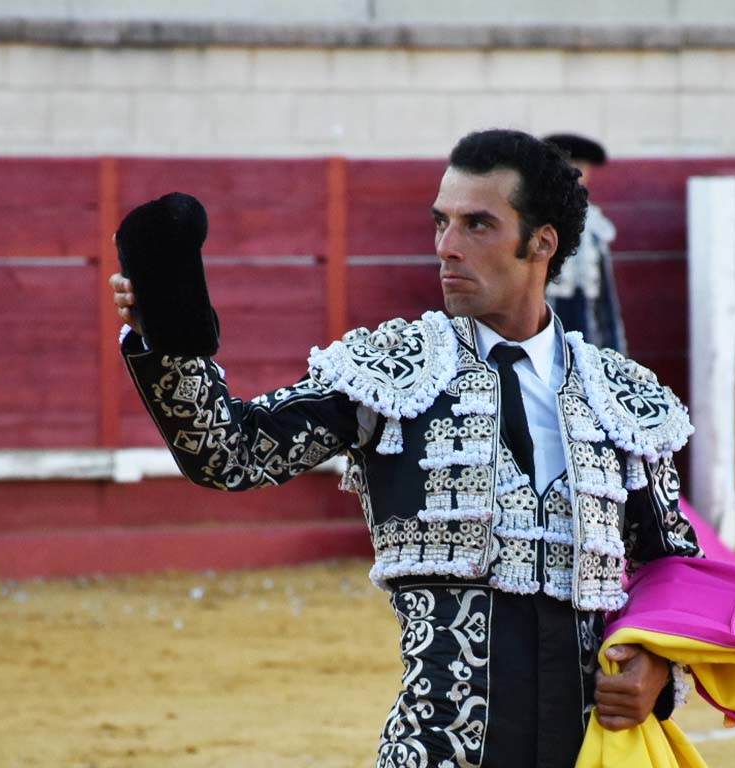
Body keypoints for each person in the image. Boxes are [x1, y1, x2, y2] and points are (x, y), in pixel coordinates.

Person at [110, 129, 701, 768]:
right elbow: (229, 454)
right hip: (438, 751)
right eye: (440, 222)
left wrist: (658, 664)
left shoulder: (620, 396)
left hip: (588, 752)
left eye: (478, 225)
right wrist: (167, 334)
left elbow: (672, 566)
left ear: (541, 242)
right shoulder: (393, 374)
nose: (447, 248)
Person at [543, 133, 627, 353]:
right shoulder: (538, 216)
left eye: (581, 165)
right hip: (548, 312)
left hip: (586, 315)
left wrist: (613, 347)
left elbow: (605, 296)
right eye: (569, 164)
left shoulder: (594, 223)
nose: (576, 172)